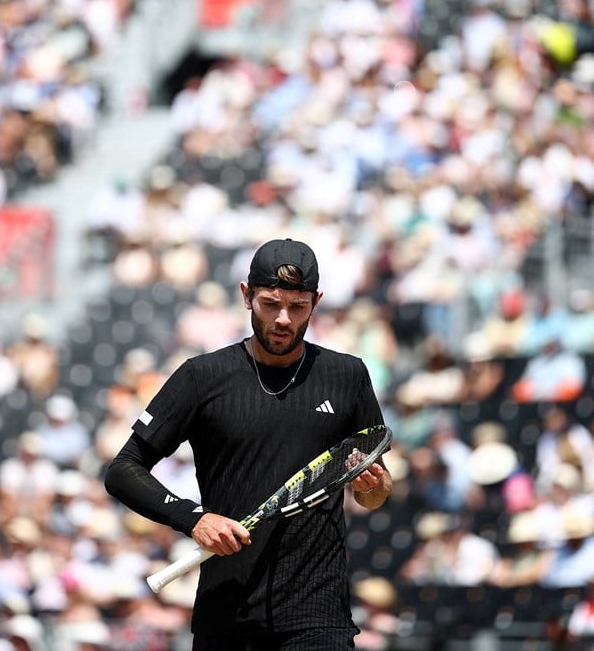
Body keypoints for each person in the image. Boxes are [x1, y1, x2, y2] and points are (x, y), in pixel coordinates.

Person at [104, 238, 393, 650]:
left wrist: (374, 489)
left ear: (317, 302)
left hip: (318, 617)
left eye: (298, 307)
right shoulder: (201, 376)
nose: (283, 319)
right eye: (270, 303)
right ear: (246, 296)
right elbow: (123, 470)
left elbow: (375, 495)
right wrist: (194, 520)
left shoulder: (348, 376)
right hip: (227, 614)